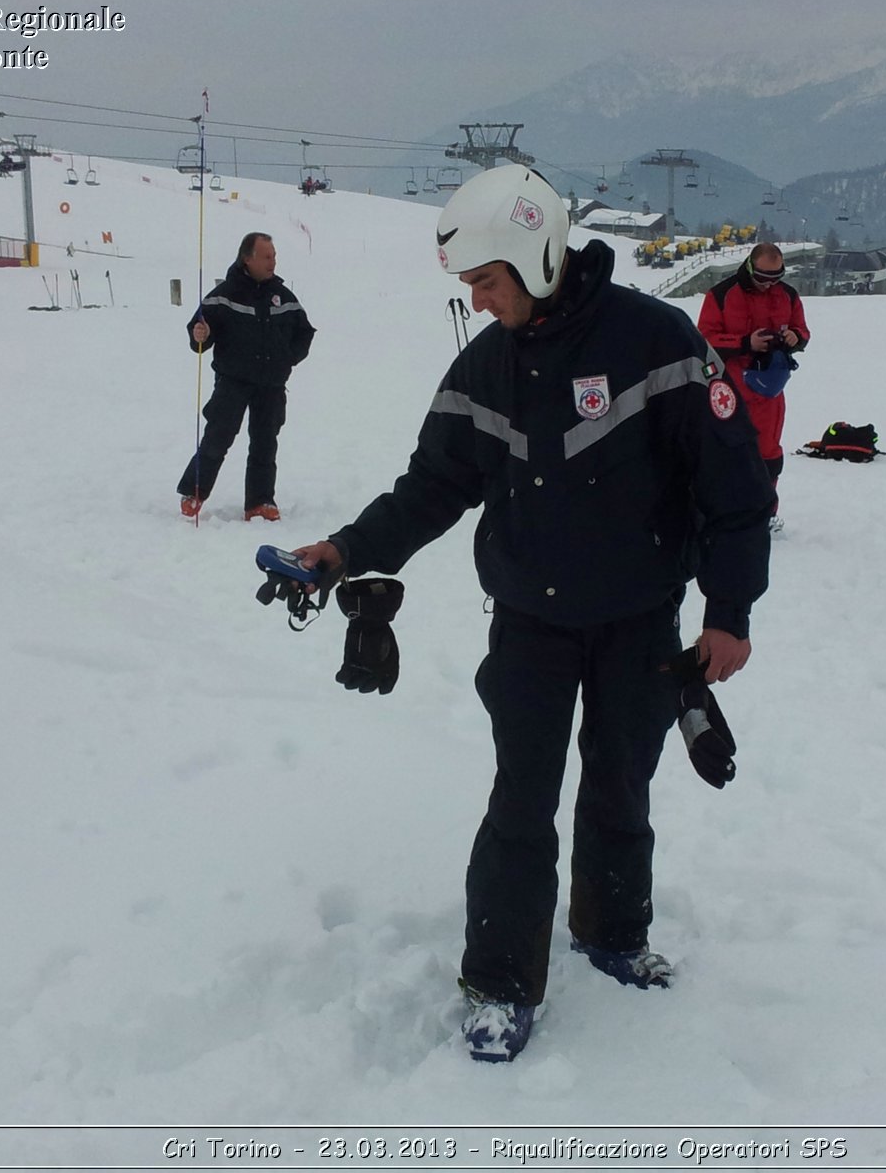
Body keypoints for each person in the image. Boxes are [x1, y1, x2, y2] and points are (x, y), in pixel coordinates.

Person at [290, 165, 772, 1061]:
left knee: (622, 785)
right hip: (529, 626)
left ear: (539, 255)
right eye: (469, 286)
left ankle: (614, 935)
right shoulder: (487, 366)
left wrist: (729, 611)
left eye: (487, 282)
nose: (478, 302)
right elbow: (433, 485)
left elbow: (734, 487)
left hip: (638, 618)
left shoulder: (657, 343)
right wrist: (347, 551)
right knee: (521, 801)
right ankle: (502, 983)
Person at [176, 232, 316, 520]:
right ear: (247, 259)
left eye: (274, 256)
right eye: (266, 257)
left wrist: (287, 359)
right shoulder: (224, 295)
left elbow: (304, 332)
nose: (272, 262)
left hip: (271, 385)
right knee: (218, 437)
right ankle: (194, 492)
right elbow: (200, 330)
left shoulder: (284, 297)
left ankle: (260, 502)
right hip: (232, 381)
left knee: (265, 443)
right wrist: (199, 334)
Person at [696, 243, 810, 531]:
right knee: (725, 452)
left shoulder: (788, 295)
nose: (769, 285)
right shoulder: (722, 295)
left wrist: (796, 337)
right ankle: (719, 512)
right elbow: (703, 340)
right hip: (729, 390)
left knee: (768, 455)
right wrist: (745, 343)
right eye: (762, 278)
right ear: (749, 267)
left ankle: (765, 513)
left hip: (770, 391)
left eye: (776, 278)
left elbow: (803, 330)